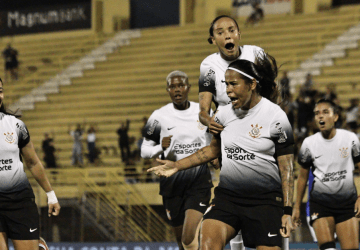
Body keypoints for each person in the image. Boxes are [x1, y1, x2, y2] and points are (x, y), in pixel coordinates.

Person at [148, 55, 295, 250]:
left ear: (252, 84)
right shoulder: (223, 114)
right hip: (228, 198)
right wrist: (176, 165)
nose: (228, 90)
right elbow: (211, 151)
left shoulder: (276, 116)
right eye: (226, 85)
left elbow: (286, 167)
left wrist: (287, 211)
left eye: (234, 84)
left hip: (265, 201)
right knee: (207, 242)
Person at [198, 15, 264, 250]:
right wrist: (211, 130)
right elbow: (204, 111)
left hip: (259, 135)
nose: (227, 34)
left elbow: (273, 92)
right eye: (220, 32)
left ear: (238, 33)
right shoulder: (208, 66)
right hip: (229, 139)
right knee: (234, 197)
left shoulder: (257, 55)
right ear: (213, 39)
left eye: (231, 29)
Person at [141, 71, 213, 250]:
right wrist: (160, 148)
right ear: (167, 90)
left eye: (181, 85)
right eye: (172, 86)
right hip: (171, 186)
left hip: (198, 183)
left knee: (189, 236)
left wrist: (215, 157)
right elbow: (144, 150)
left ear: (188, 87)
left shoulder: (203, 112)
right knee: (182, 242)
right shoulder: (158, 116)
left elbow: (214, 141)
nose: (177, 89)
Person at [0, 78, 61, 249]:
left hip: (18, 201)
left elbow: (33, 162)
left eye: (0, 90)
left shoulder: (16, 126)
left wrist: (51, 195)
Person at [293, 99, 360, 250]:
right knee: (328, 248)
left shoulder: (350, 139)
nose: (320, 117)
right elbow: (302, 177)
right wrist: (296, 206)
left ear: (335, 117)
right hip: (320, 204)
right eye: (317, 113)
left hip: (347, 203)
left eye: (325, 112)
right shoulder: (308, 144)